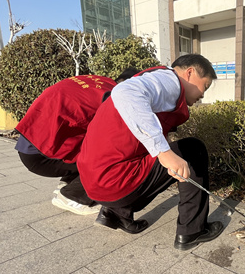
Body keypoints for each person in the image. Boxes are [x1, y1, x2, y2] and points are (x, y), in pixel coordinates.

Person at [78, 54, 222, 250]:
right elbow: (124, 92)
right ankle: (192, 230)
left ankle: (115, 214)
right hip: (114, 182)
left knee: (167, 151)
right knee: (193, 150)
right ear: (189, 73)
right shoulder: (169, 81)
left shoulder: (155, 79)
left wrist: (164, 150)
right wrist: (164, 153)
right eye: (205, 86)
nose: (203, 95)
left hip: (94, 182)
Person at [14, 67, 139, 215]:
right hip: (41, 157)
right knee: (115, 157)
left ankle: (67, 184)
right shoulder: (111, 98)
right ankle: (72, 197)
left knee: (90, 139)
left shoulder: (100, 82)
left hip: (29, 143)